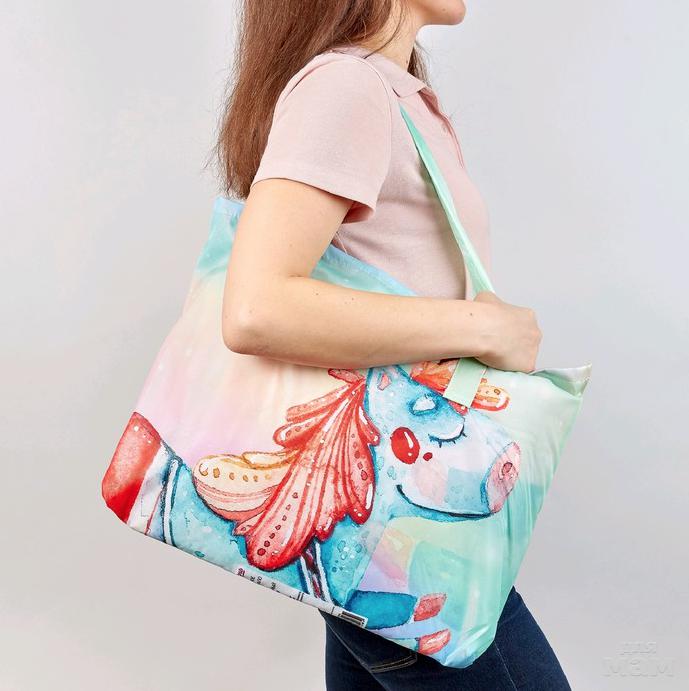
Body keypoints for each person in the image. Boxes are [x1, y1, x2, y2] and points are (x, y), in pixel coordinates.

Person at [215, 1, 569, 688]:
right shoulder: (346, 87)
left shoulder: (385, 92)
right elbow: (257, 308)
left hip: (387, 524)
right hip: (399, 533)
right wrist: (482, 326)